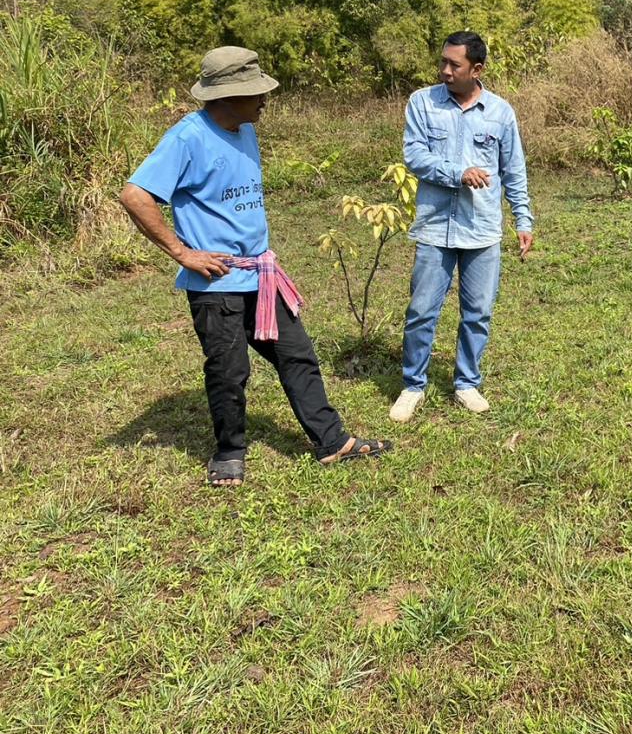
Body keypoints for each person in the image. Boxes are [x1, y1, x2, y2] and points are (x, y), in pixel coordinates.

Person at [120, 46, 392, 487]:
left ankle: (332, 442)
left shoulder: (244, 129)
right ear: (226, 96)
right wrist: (184, 253)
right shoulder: (187, 138)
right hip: (217, 283)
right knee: (229, 370)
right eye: (255, 93)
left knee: (297, 355)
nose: (265, 99)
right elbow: (135, 195)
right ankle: (229, 453)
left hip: (261, 276)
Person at [390, 31, 533, 421]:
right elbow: (414, 155)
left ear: (477, 69)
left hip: (483, 228)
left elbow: (513, 170)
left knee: (478, 312)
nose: (445, 70)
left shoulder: (501, 112)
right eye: (443, 62)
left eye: (454, 64)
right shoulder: (423, 103)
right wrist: (458, 172)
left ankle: (466, 382)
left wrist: (523, 218)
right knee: (421, 310)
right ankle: (412, 385)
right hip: (435, 227)